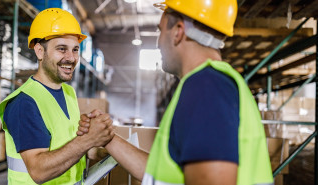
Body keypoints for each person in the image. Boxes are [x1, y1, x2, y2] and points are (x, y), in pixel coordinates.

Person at [78, 0, 274, 184]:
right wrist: (108, 138)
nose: (158, 43)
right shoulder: (210, 83)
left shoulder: (205, 87)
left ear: (178, 32)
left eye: (160, 30)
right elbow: (161, 175)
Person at [0, 8, 114, 185]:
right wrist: (87, 140)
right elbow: (39, 171)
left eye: (75, 50)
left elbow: (69, 146)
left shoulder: (68, 93)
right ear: (39, 51)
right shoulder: (24, 102)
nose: (71, 58)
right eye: (62, 49)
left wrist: (97, 147)